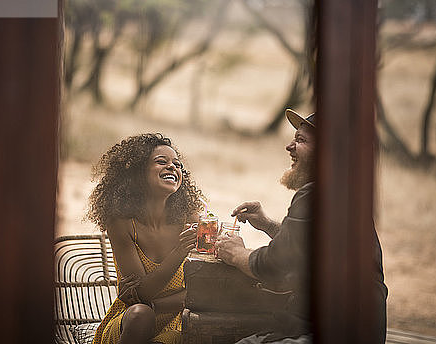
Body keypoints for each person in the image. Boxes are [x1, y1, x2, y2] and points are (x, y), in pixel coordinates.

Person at [215, 109, 388, 344]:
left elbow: (275, 265)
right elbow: (306, 250)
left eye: (301, 140)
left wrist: (236, 254)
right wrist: (267, 225)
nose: (289, 147)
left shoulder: (316, 193)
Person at [86, 133, 204, 344]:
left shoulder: (191, 218)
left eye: (177, 165)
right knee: (141, 314)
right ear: (137, 173)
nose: (173, 167)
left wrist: (157, 304)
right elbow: (141, 296)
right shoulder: (122, 224)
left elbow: (206, 292)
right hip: (131, 323)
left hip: (178, 322)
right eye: (162, 162)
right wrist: (179, 252)